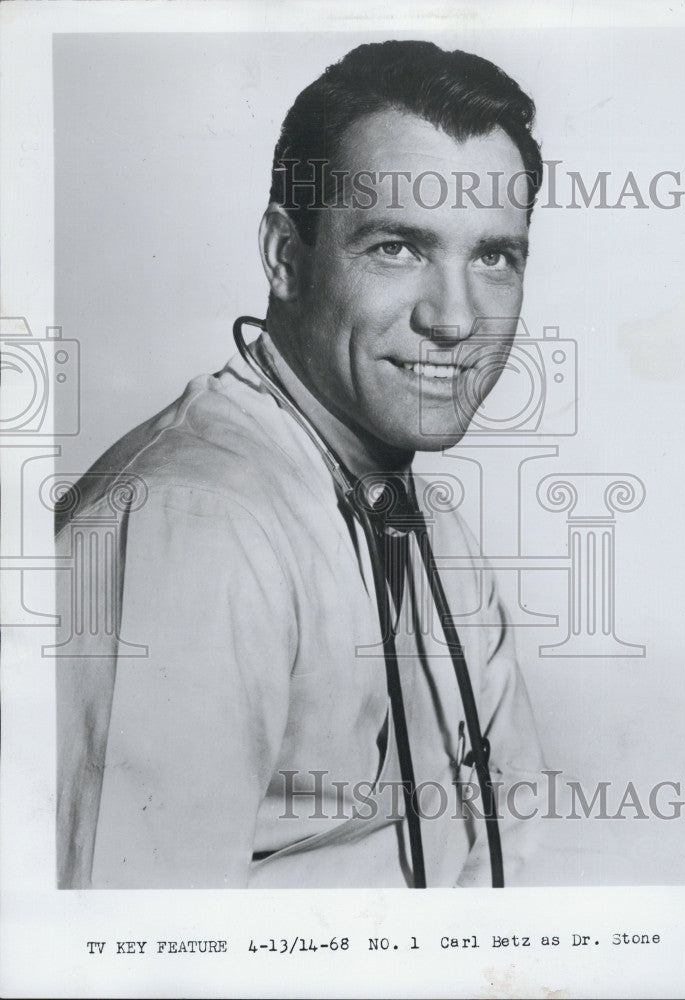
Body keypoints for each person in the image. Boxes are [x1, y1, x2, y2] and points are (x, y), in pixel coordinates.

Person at [56, 39, 547, 889]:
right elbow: (128, 948)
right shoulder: (194, 527)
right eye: (397, 247)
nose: (455, 320)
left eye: (492, 257)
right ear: (286, 256)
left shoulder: (427, 522)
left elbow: (517, 855)